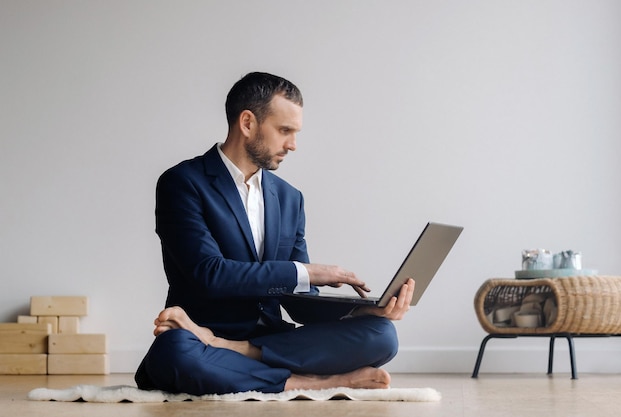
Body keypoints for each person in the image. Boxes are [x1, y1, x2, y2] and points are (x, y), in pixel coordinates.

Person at [134, 72, 416, 395]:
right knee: (173, 353)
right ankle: (313, 381)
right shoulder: (182, 184)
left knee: (382, 334)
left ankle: (237, 353)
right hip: (197, 335)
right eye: (285, 131)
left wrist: (362, 310)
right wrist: (306, 272)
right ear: (247, 123)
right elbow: (209, 274)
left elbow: (299, 304)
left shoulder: (289, 198)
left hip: (269, 341)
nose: (293, 145)